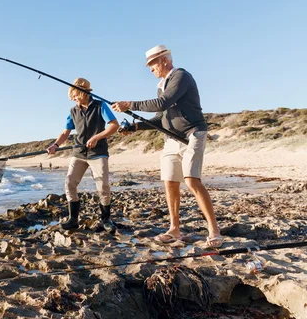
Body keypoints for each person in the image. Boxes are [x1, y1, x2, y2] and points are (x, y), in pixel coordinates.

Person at [112, 45, 223, 248]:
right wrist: (135, 127)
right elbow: (160, 118)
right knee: (170, 182)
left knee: (191, 181)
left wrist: (130, 105)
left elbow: (163, 103)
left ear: (164, 60)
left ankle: (214, 230)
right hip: (171, 139)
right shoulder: (161, 85)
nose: (150, 69)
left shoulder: (181, 76)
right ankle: (174, 229)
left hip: (193, 134)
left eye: (152, 64)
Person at [47, 78, 120, 232]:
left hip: (98, 153)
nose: (73, 99)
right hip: (78, 153)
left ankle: (106, 220)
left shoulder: (100, 106)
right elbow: (65, 132)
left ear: (83, 92)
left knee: (103, 186)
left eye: (75, 95)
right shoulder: (73, 111)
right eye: (72, 97)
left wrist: (96, 137)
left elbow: (114, 125)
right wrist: (55, 145)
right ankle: (73, 219)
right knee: (70, 183)